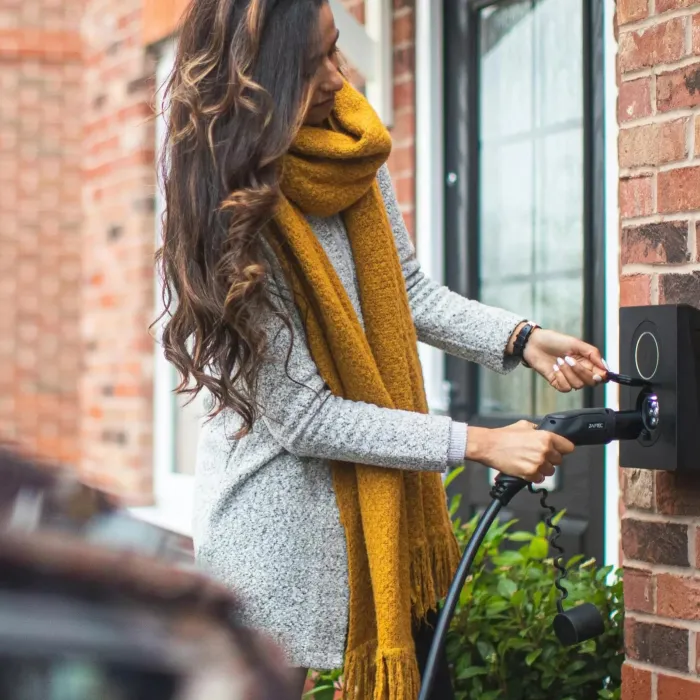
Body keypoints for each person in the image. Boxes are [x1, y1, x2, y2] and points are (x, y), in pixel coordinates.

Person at [156, 1, 608, 698]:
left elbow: (412, 294)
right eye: (314, 66)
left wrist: (524, 340)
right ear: (261, 85)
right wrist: (479, 444)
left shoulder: (350, 150)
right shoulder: (230, 218)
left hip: (378, 517)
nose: (341, 77)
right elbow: (306, 417)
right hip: (273, 530)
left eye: (336, 50)